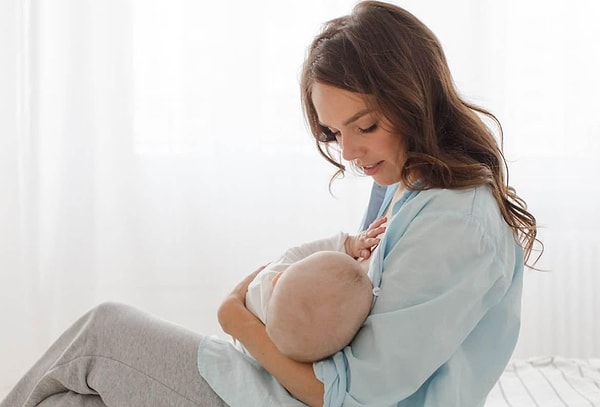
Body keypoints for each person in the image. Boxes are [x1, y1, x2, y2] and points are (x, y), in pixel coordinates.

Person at [1, 1, 541, 406]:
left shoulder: (455, 222)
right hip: (280, 386)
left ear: (414, 99)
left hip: (292, 398)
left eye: (366, 126)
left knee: (104, 332)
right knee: (71, 401)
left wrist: (238, 321)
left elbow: (348, 395)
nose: (349, 152)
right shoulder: (405, 181)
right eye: (333, 133)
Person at [245, 218, 385, 362]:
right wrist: (349, 244)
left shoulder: (290, 337)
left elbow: (306, 252)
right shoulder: (263, 287)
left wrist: (349, 245)